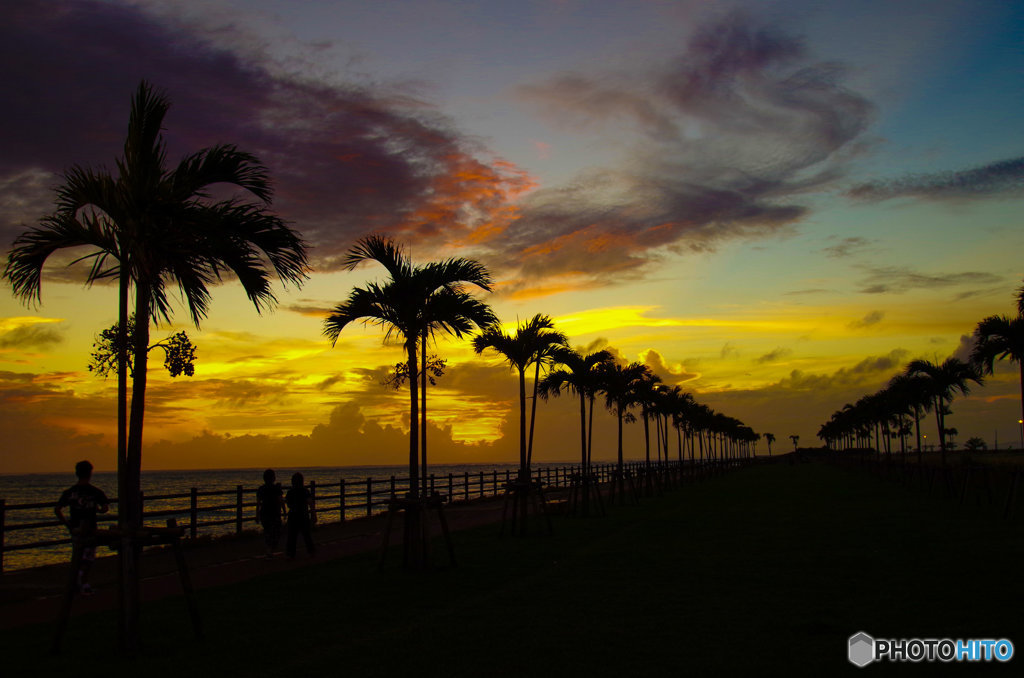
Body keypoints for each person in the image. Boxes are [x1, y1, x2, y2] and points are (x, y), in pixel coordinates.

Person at [55, 460, 109, 595]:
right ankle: (82, 582)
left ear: (76, 473)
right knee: (88, 559)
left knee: (78, 556)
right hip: (90, 529)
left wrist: (68, 525)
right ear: (90, 473)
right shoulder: (95, 492)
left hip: (76, 529)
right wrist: (96, 509)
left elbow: (57, 509)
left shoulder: (69, 492)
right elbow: (104, 508)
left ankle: (78, 583)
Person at [285, 472, 316, 558]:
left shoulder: (290, 492)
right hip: (303, 515)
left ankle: (290, 554)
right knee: (306, 534)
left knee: (292, 536)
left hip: (293, 515)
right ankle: (311, 551)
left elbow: (288, 504)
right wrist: (313, 514)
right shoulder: (305, 491)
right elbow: (310, 503)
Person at [255, 469, 285, 559]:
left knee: (268, 531)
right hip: (274, 513)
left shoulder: (261, 489)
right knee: (276, 532)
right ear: (273, 478)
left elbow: (258, 503)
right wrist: (284, 511)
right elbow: (281, 500)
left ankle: (269, 549)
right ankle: (270, 549)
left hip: (264, 513)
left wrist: (257, 515)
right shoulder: (276, 488)